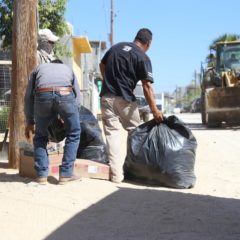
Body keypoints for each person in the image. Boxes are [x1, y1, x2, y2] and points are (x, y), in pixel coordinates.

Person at [99, 28, 164, 183]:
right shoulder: (142, 57)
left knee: (112, 135)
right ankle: (136, 170)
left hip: (106, 97)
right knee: (136, 132)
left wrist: (107, 81)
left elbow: (102, 65)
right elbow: (147, 86)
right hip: (125, 100)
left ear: (136, 38)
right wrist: (155, 111)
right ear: (148, 43)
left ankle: (116, 176)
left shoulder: (115, 48)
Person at [24, 60, 81, 185]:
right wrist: (69, 113)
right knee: (74, 133)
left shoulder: (38, 68)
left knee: (40, 136)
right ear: (60, 64)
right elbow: (77, 95)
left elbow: (28, 96)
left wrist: (29, 120)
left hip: (42, 95)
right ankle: (66, 174)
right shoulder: (67, 68)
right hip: (66, 94)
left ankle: (41, 176)